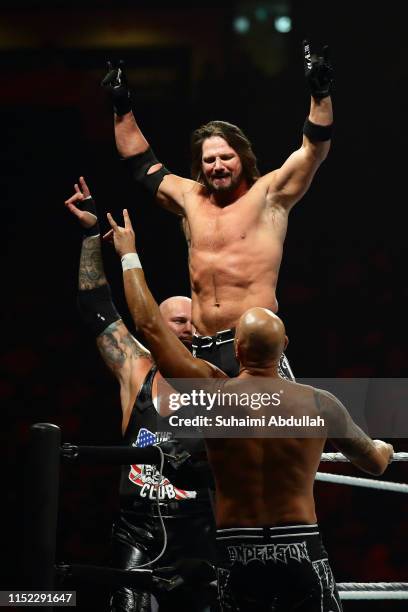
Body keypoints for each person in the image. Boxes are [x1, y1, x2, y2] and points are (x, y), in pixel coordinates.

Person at [104, 208, 394, 611]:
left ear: (236, 350)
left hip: (235, 550)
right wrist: (384, 447)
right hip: (300, 545)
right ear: (285, 346)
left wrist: (128, 253)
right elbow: (376, 463)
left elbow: (150, 326)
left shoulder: (213, 394)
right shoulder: (320, 403)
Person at [101, 41, 333, 377]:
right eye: (209, 160)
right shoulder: (189, 198)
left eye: (226, 157)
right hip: (201, 353)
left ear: (243, 158)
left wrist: (320, 94)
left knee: (270, 430)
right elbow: (139, 162)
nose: (218, 166)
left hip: (255, 353)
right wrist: (122, 107)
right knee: (203, 431)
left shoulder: (268, 195)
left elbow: (313, 149)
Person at [65, 177, 217, 612]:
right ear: (156, 330)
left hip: (202, 534)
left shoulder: (219, 381)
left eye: (192, 321)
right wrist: (91, 235)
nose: (186, 328)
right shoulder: (138, 370)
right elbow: (95, 306)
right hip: (140, 532)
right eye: (175, 321)